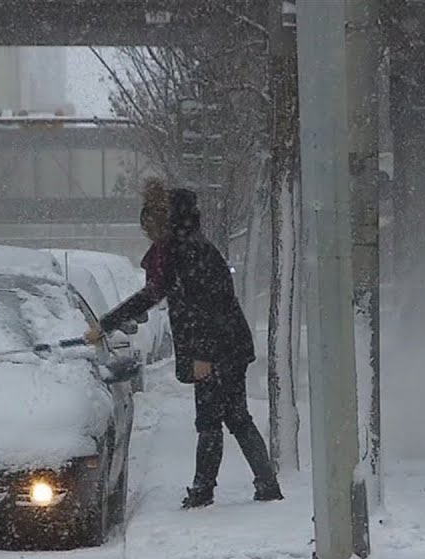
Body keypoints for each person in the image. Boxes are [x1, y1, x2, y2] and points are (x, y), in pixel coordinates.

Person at [84, 180, 283, 509]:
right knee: (235, 417)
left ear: (166, 221)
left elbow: (208, 306)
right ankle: (265, 485)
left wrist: (203, 355)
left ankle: (205, 490)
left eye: (150, 224)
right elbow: (154, 296)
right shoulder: (182, 249)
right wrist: (107, 323)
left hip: (217, 350)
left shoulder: (188, 252)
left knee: (211, 421)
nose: (147, 232)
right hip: (228, 346)